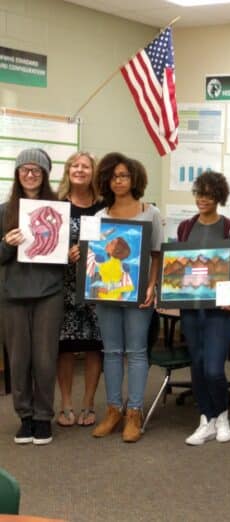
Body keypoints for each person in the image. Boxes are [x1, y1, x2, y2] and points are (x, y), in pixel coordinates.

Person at [90, 152, 162, 443]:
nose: (118, 181)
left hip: (138, 294)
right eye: (113, 176)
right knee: (111, 351)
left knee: (136, 352)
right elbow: (92, 257)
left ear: (134, 179)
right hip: (105, 293)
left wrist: (151, 286)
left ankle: (134, 412)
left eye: (123, 175)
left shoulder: (150, 213)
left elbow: (156, 254)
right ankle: (113, 410)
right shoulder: (99, 217)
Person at [0, 148, 64, 445]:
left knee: (45, 358)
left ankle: (43, 417)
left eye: (36, 170)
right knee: (19, 358)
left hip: (48, 292)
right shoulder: (4, 210)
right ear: (17, 174)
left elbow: (64, 252)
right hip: (12, 294)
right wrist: (6, 245)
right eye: (24, 169)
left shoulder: (57, 208)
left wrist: (72, 252)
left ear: (45, 175)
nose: (30, 174)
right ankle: (24, 417)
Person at [177, 171, 230, 446]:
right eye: (198, 193)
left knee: (214, 368)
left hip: (221, 306)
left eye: (208, 194)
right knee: (198, 364)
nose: (202, 199)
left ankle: (222, 415)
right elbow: (179, 265)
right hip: (191, 304)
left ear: (219, 197)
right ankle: (206, 418)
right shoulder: (185, 227)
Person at [55, 152, 105, 428]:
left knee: (93, 346)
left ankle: (87, 403)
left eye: (85, 166)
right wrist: (66, 254)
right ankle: (65, 404)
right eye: (75, 165)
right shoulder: (56, 205)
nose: (80, 169)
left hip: (97, 286)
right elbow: (46, 242)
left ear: (93, 172)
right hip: (64, 286)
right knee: (65, 346)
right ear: (68, 170)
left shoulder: (103, 206)